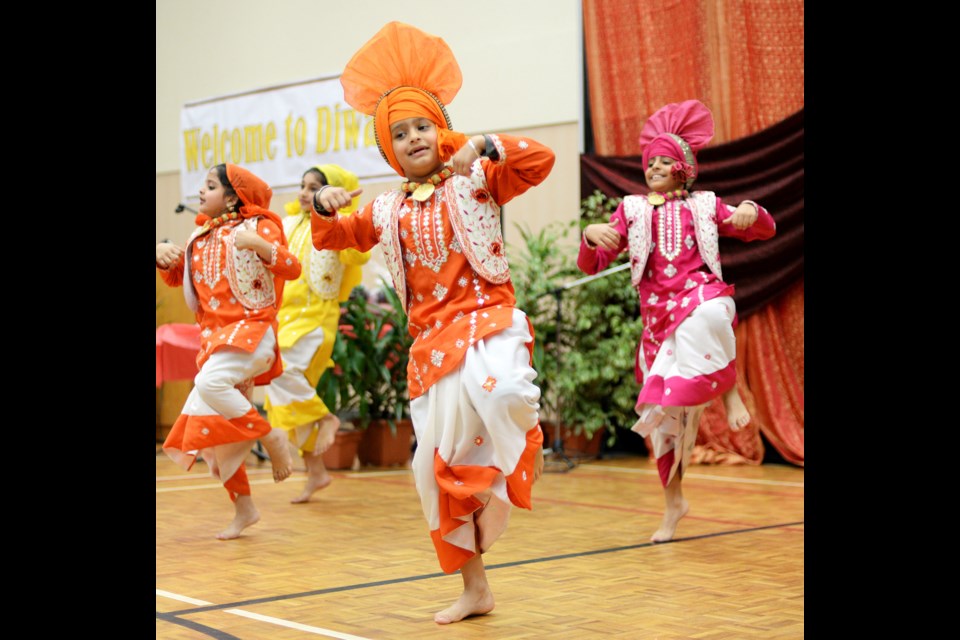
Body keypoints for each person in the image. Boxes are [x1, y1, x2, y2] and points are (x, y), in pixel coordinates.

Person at [311, 22, 552, 624]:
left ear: (441, 127)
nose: (413, 137)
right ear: (387, 148)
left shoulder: (478, 180)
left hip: (490, 324)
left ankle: (526, 445)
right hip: (432, 349)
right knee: (430, 472)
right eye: (400, 132)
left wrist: (481, 144)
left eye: (422, 124)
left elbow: (540, 160)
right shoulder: (385, 207)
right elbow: (335, 236)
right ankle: (475, 588)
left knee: (503, 400)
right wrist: (322, 205)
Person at [577, 100, 776, 543]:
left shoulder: (705, 205)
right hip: (658, 324)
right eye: (651, 162)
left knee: (708, 312)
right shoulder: (630, 210)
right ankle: (674, 505)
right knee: (667, 423)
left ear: (685, 169)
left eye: (667, 161)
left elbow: (762, 229)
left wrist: (749, 209)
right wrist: (592, 235)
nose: (656, 167)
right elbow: (592, 262)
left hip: (700, 296)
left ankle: (731, 396)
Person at [156, 163, 300, 539]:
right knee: (217, 439)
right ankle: (245, 510)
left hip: (253, 334)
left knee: (208, 384)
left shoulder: (261, 226)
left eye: (209, 186)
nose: (200, 192)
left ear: (233, 195)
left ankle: (271, 437)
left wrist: (260, 245)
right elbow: (181, 280)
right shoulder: (200, 236)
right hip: (217, 343)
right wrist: (163, 255)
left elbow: (293, 267)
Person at [263, 165, 371, 503]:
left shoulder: (337, 226)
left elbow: (358, 252)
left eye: (314, 188)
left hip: (315, 318)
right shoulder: (289, 223)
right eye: (302, 186)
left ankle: (326, 418)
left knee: (282, 375)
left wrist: (342, 215)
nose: (304, 193)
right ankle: (317, 472)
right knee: (287, 400)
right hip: (283, 317)